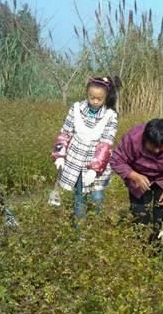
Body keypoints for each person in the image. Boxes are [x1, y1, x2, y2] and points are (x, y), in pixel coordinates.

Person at [49, 76, 122, 222]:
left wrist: (94, 168)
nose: (95, 101)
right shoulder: (76, 108)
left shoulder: (110, 115)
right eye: (92, 97)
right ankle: (79, 230)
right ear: (87, 94)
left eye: (99, 99)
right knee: (79, 195)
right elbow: (65, 133)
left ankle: (96, 222)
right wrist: (60, 155)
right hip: (75, 158)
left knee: (96, 196)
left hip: (97, 161)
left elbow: (106, 144)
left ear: (106, 97)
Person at [109, 118, 163, 235]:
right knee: (139, 215)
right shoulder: (133, 138)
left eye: (161, 147)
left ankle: (159, 246)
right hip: (138, 178)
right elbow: (116, 160)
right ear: (144, 139)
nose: (157, 150)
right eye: (153, 146)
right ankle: (140, 245)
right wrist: (134, 175)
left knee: (161, 216)